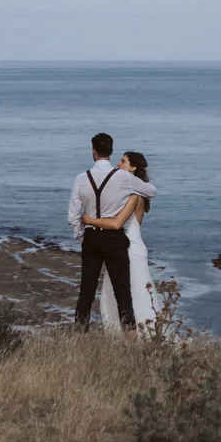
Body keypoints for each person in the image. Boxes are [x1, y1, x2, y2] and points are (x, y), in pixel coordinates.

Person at [69, 132, 157, 334]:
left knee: (86, 293)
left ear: (93, 152)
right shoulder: (124, 178)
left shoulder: (82, 178)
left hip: (91, 237)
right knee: (122, 292)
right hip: (114, 239)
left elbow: (73, 217)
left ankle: (79, 337)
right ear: (111, 151)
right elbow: (152, 191)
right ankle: (130, 337)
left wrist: (84, 237)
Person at [87, 149, 161, 337]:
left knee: (132, 294)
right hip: (134, 246)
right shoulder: (136, 194)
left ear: (133, 168)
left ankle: (140, 337)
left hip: (129, 249)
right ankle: (133, 337)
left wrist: (89, 220)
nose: (118, 164)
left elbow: (117, 223)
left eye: (123, 161)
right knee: (130, 293)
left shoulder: (135, 196)